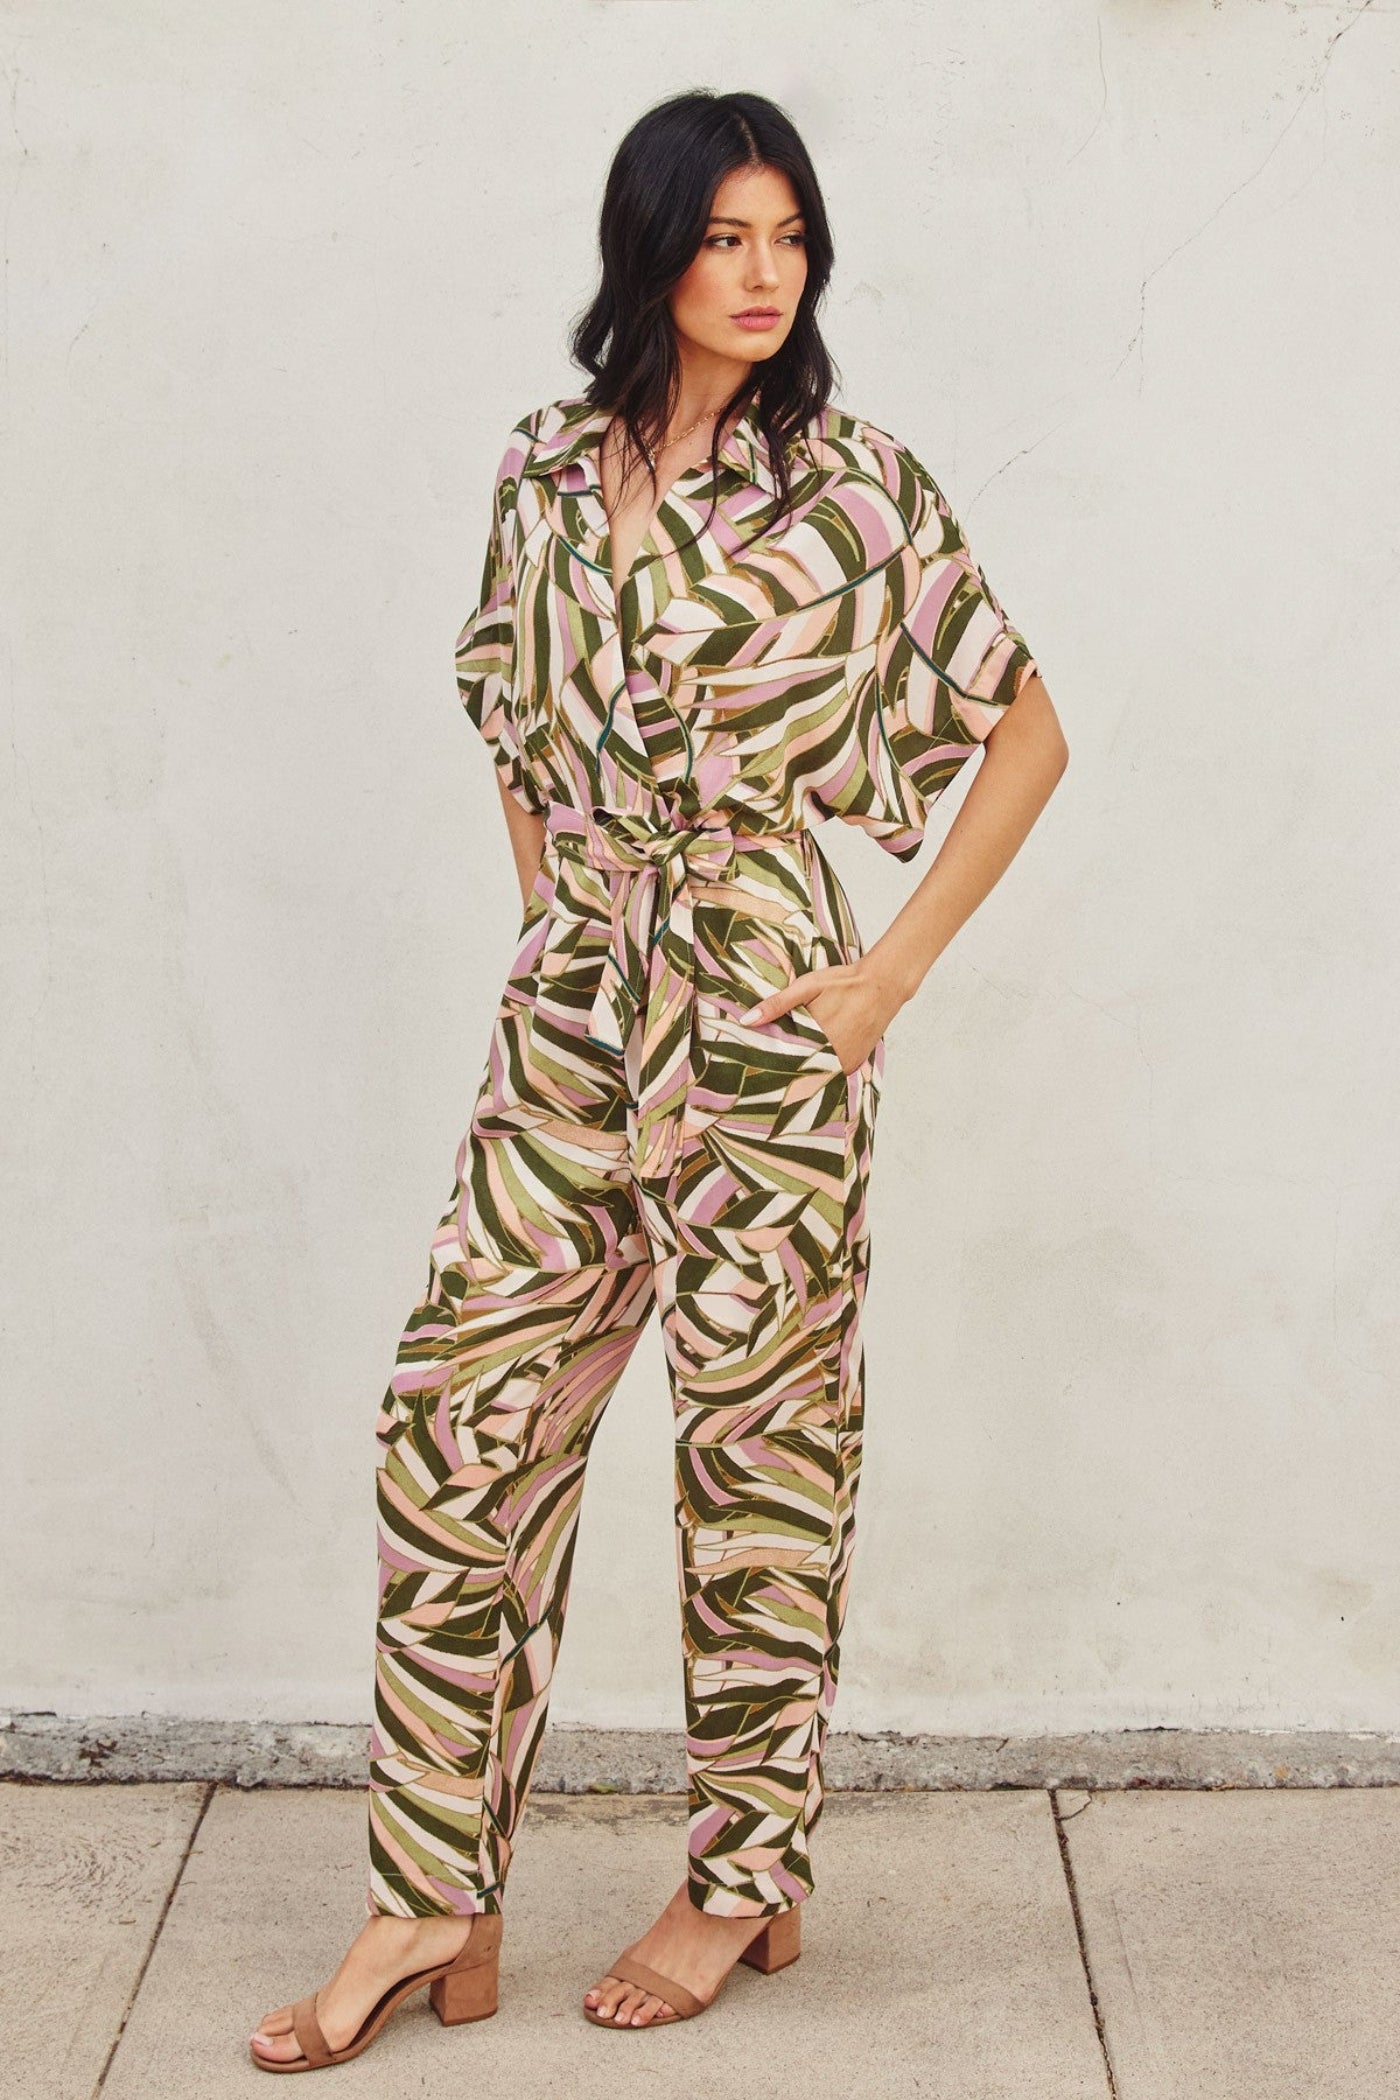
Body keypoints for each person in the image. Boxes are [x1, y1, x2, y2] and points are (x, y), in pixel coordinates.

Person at [250, 84, 1069, 2072]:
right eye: (724, 238)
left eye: (790, 238)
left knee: (755, 1456)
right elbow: (508, 716)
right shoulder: (543, 471)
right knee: (451, 1430)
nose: (765, 274)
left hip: (766, 1018)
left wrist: (881, 979)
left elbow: (1027, 729)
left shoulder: (851, 487)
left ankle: (739, 1876)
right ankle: (432, 1897)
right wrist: (558, 920)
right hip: (573, 1023)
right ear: (653, 251)